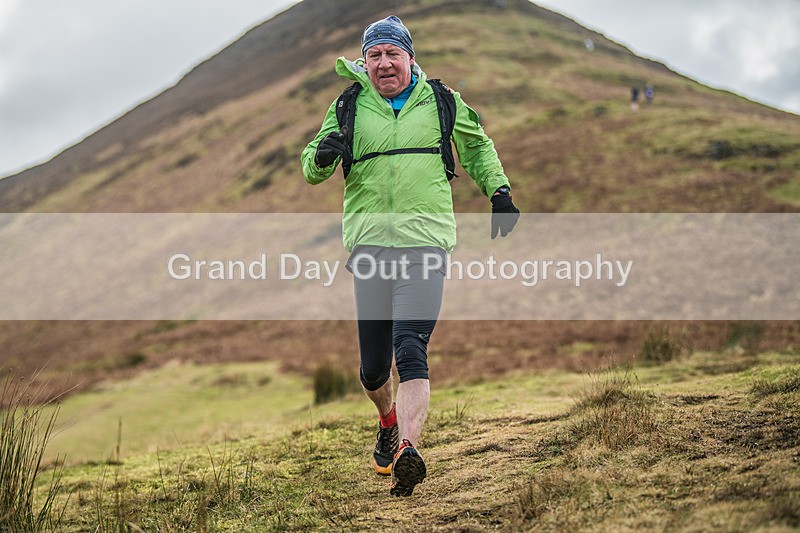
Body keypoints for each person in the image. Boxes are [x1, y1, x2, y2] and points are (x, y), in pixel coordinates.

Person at [301, 15, 519, 496]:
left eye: (392, 54)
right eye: (374, 55)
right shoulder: (348, 106)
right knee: (374, 369)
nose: (383, 63)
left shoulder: (442, 102)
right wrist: (321, 157)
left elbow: (477, 147)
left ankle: (408, 450)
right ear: (364, 61)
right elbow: (311, 166)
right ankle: (387, 419)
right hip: (371, 249)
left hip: (425, 243)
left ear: (410, 58)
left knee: (411, 345)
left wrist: (498, 192)